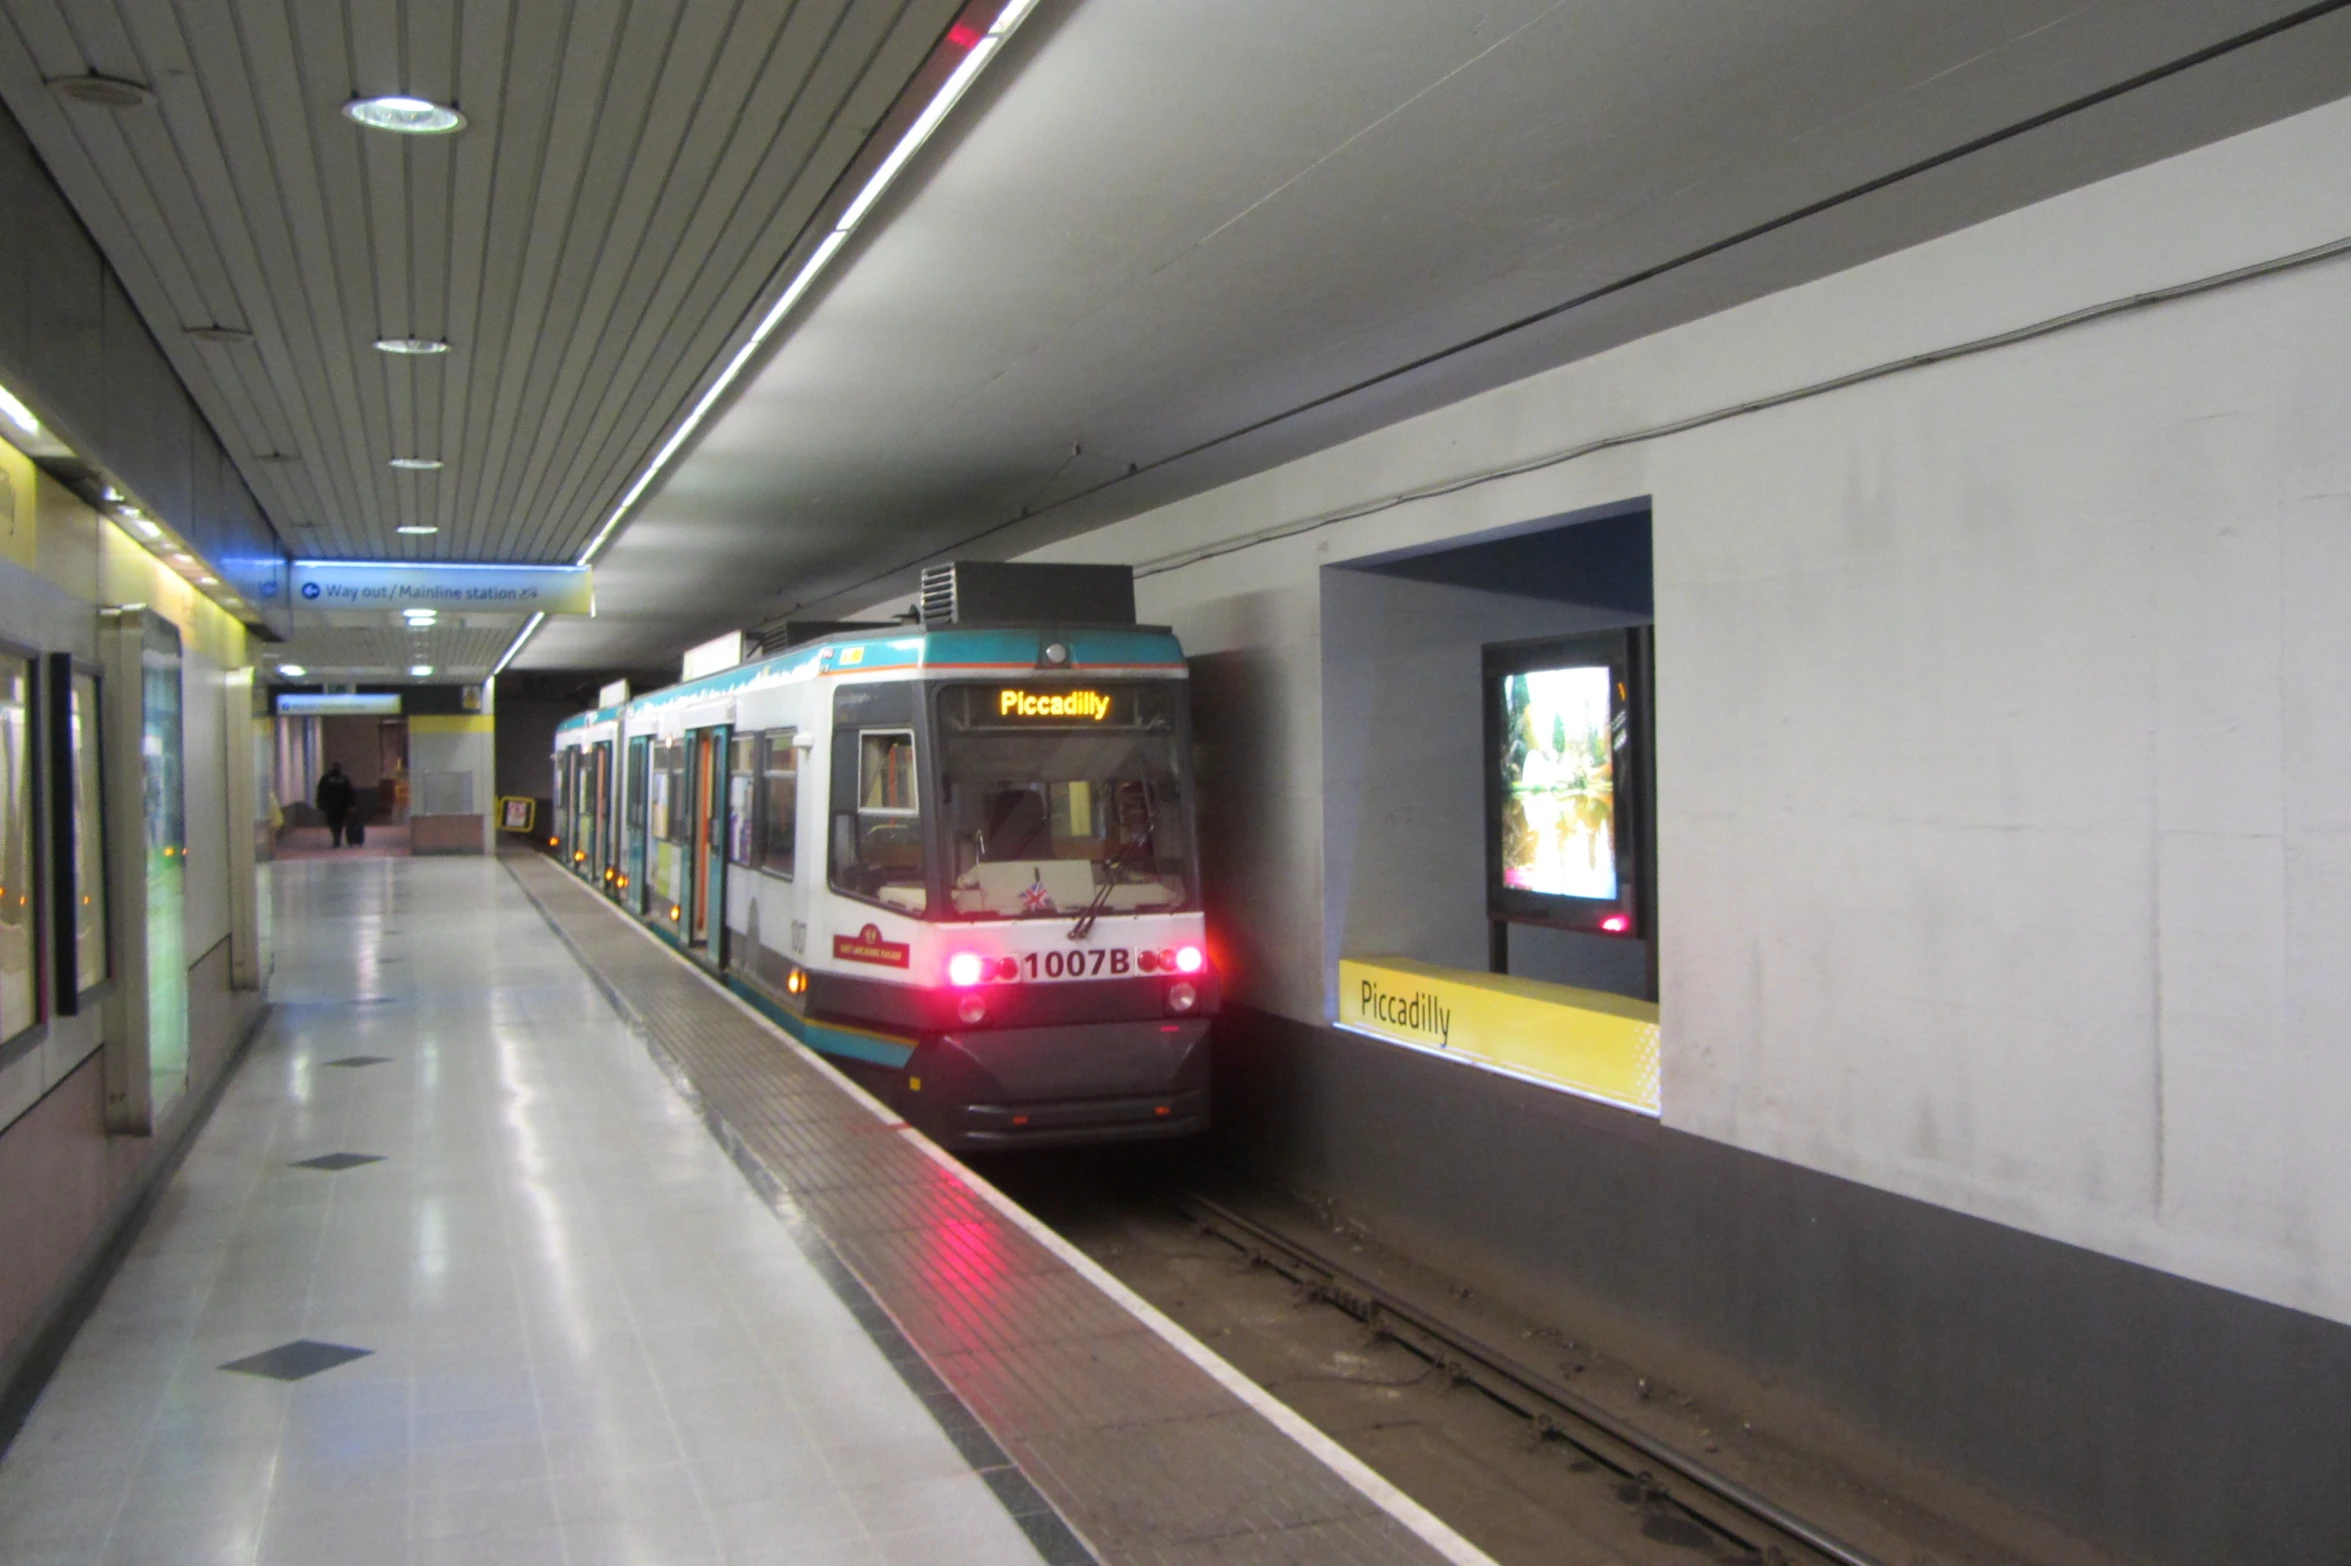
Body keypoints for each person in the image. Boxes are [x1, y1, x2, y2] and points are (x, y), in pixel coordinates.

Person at [316, 763, 359, 848]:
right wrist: (352, 804)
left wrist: (320, 803)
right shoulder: (344, 779)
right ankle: (337, 835)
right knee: (339, 821)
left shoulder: (326, 779)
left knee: (331, 821)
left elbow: (320, 791)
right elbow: (350, 792)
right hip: (341, 805)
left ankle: (336, 836)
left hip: (330, 805)